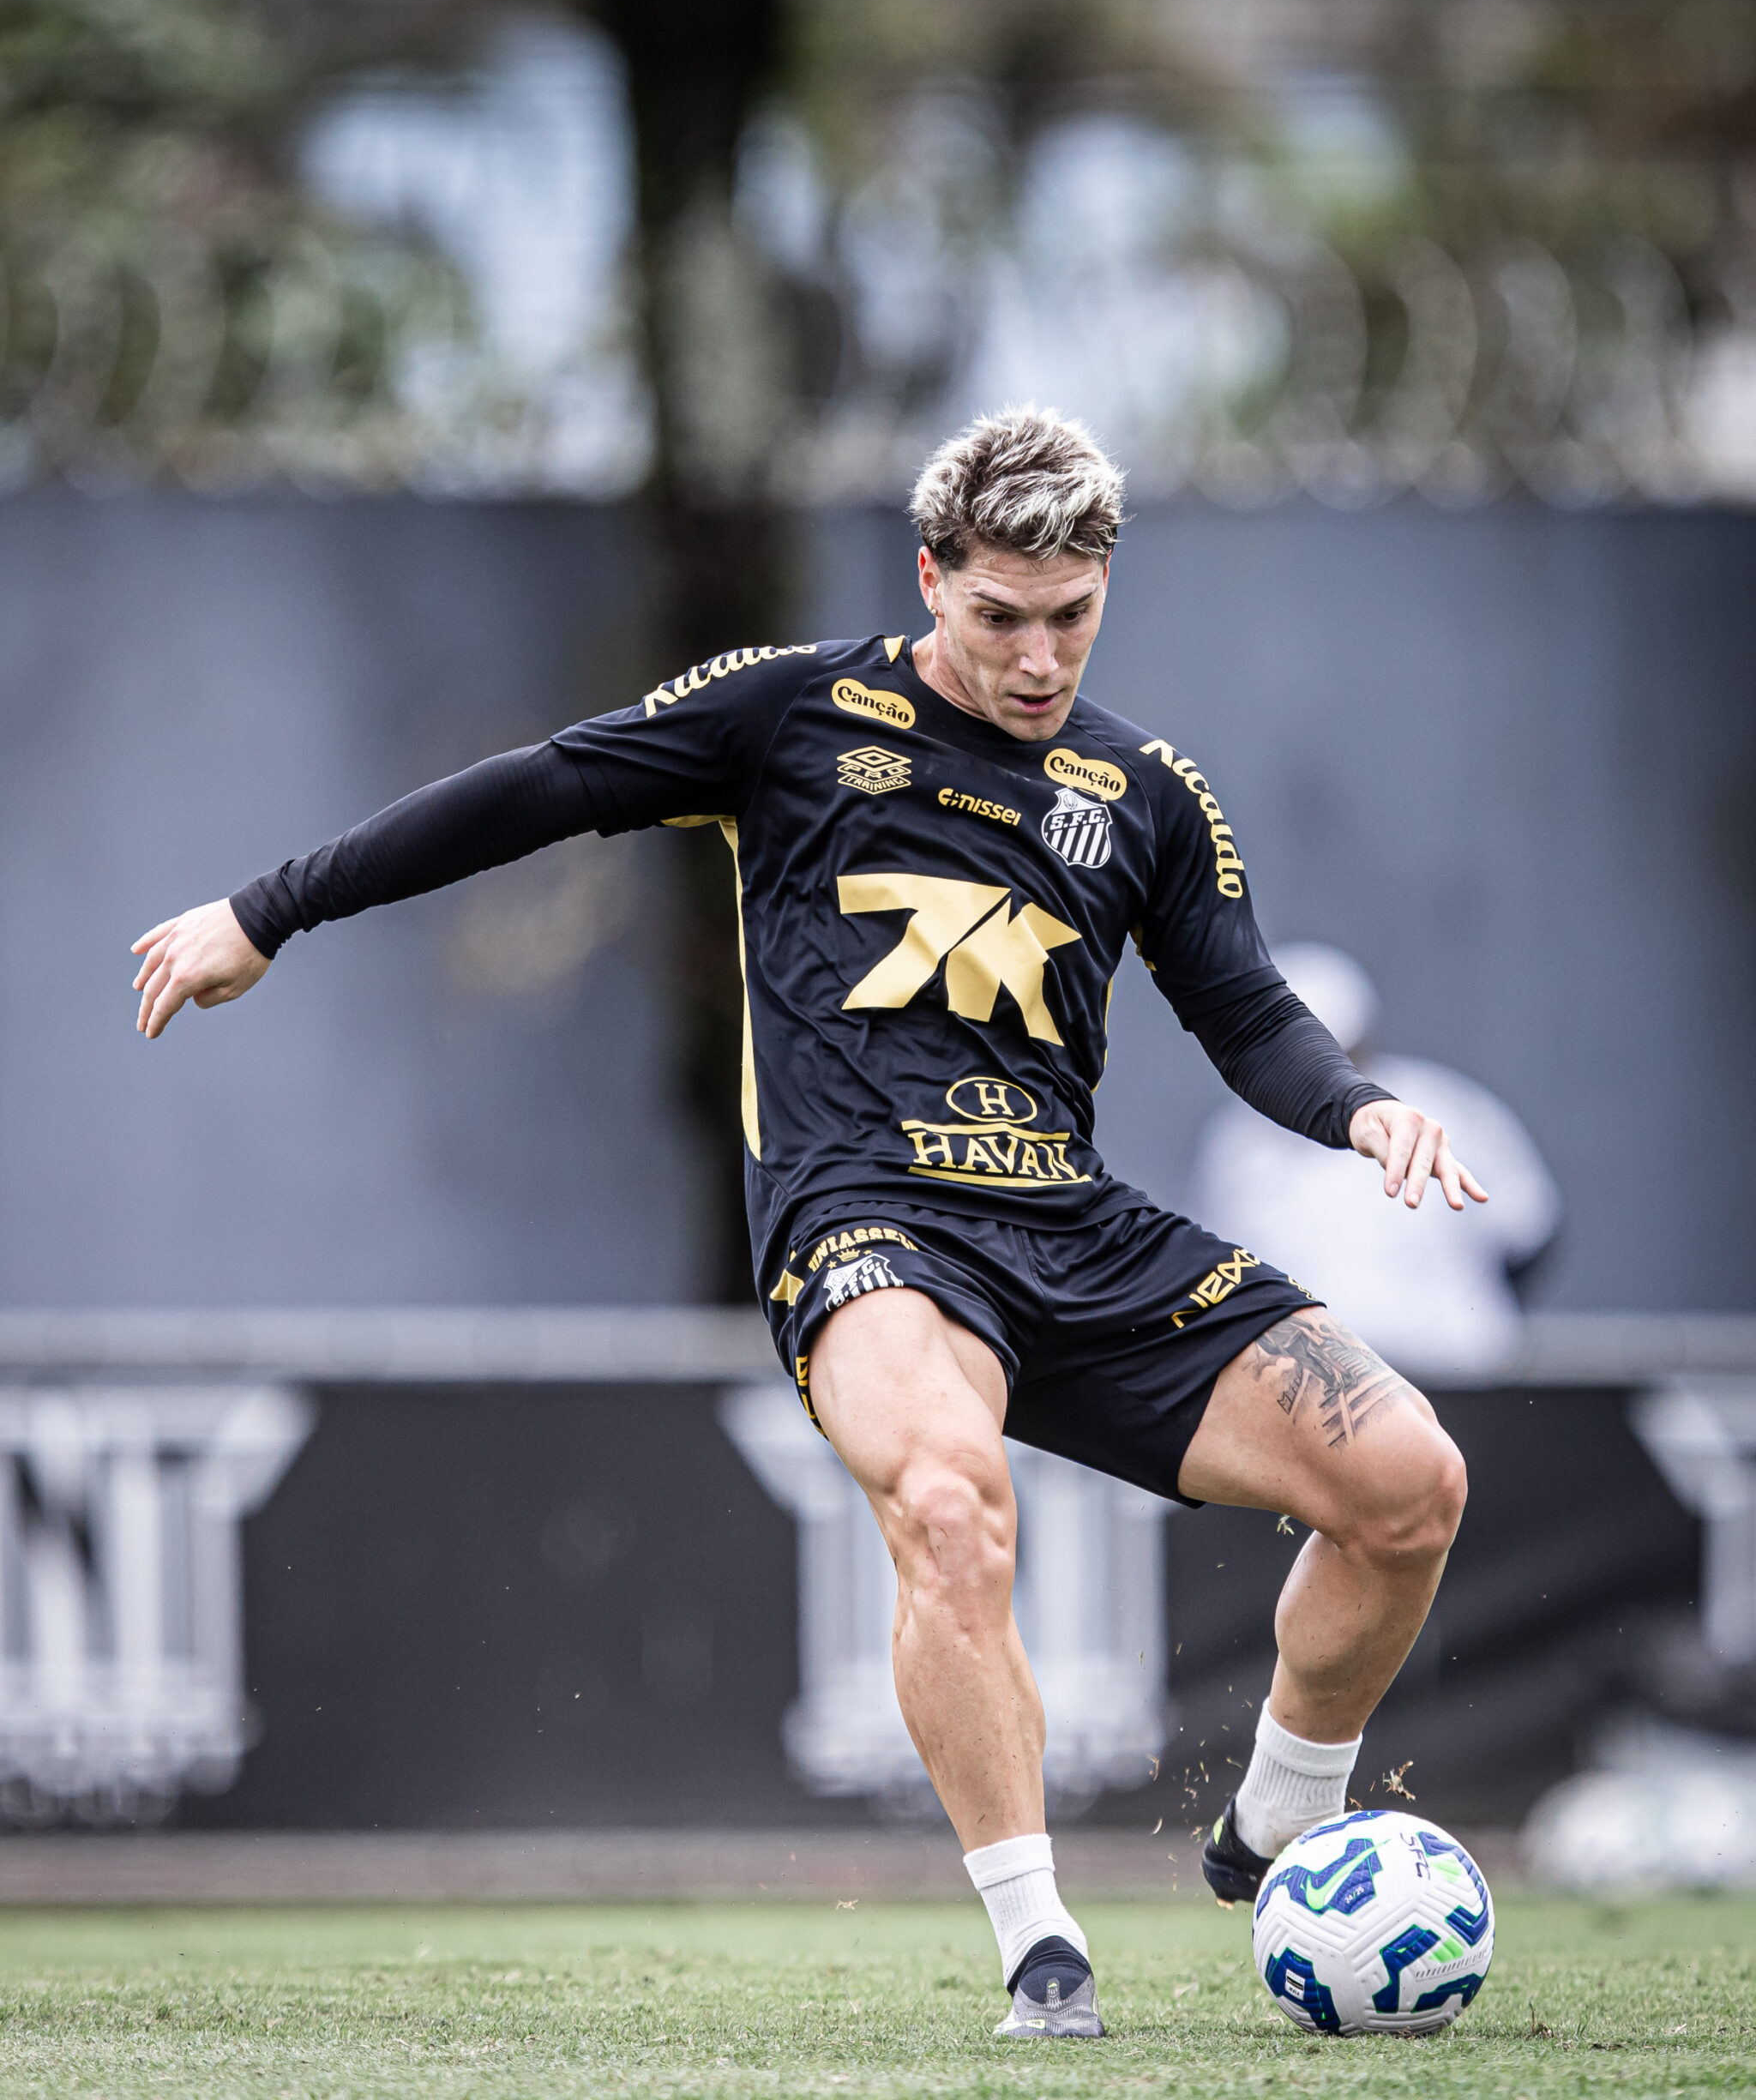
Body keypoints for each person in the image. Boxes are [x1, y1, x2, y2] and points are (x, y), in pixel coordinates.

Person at [131, 407, 1483, 2041]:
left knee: (1407, 1484)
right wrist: (267, 910)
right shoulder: (787, 712)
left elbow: (1247, 1012)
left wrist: (1356, 1109)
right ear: (929, 578)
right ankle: (1041, 1948)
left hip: (1073, 1224)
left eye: (1069, 616)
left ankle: (1275, 1822)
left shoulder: (1142, 789)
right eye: (999, 615)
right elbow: (537, 790)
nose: (1037, 656)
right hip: (866, 1223)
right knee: (948, 1504)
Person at [1190, 942, 1559, 1375]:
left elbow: (1528, 1232)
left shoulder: (1445, 1109)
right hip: (1312, 1389)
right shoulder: (1237, 1146)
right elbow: (1219, 1271)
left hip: (1455, 1373)